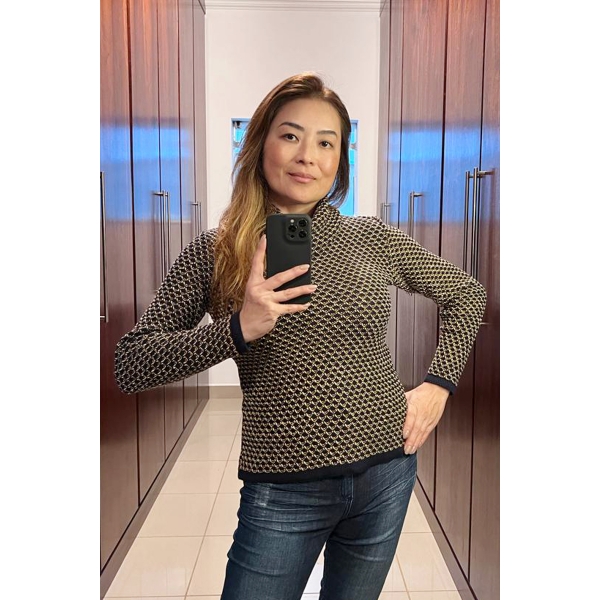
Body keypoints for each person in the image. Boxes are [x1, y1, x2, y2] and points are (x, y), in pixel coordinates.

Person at [114, 72, 486, 600]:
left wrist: (437, 386)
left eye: (326, 142)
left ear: (339, 162)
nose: (307, 155)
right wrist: (238, 329)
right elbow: (132, 364)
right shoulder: (215, 252)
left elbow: (466, 293)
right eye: (290, 135)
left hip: (387, 470)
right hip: (282, 488)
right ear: (259, 144)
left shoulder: (370, 237)